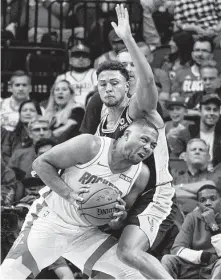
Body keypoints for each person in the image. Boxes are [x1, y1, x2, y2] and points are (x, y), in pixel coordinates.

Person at [1, 118, 171, 279]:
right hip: (50, 223)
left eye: (153, 145)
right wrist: (69, 194)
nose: (148, 147)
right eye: (144, 139)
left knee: (132, 274)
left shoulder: (141, 174)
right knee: (9, 275)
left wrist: (117, 216)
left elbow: (117, 222)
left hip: (85, 234)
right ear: (126, 134)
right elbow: (40, 164)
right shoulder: (91, 146)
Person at [93, 4, 176, 278]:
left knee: (128, 252)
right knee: (102, 266)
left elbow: (149, 81)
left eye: (133, 64)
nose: (129, 70)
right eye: (123, 65)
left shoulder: (141, 107)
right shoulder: (103, 113)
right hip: (123, 196)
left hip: (154, 195)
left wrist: (128, 38)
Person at [161, 183, 221, 279]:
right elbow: (176, 249)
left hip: (216, 267)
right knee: (167, 259)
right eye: (202, 200)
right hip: (195, 265)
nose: (208, 203)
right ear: (198, 204)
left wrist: (212, 224)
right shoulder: (192, 217)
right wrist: (202, 256)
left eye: (213, 199)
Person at [167, 94, 221, 169]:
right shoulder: (185, 134)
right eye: (208, 109)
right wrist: (181, 156)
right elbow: (174, 162)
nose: (211, 113)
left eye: (215, 110)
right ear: (200, 111)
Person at [8, 116, 53, 182]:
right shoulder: (19, 154)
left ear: (50, 132)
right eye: (37, 130)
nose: (41, 133)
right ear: (30, 134)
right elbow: (8, 178)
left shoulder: (59, 151)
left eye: (45, 129)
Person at [55, 43, 97, 107]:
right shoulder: (62, 77)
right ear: (70, 60)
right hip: (68, 111)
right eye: (77, 56)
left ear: (89, 60)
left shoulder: (95, 74)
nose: (81, 59)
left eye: (84, 56)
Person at [1, 100, 42, 165]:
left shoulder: (43, 134)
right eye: (24, 110)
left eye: (32, 110)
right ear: (20, 114)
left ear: (39, 114)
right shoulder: (10, 136)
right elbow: (5, 156)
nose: (28, 113)